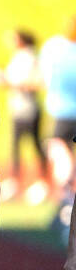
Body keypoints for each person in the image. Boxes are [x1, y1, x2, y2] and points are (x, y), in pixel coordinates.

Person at [0, 28, 46, 202]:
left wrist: (7, 81)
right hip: (18, 108)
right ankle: (16, 182)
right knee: (16, 147)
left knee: (35, 145)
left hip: (29, 109)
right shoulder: (20, 57)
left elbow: (36, 83)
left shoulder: (31, 58)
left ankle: (42, 181)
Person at [39, 15, 76, 202]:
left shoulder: (56, 49)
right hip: (65, 110)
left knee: (60, 149)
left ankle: (67, 192)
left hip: (63, 111)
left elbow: (46, 77)